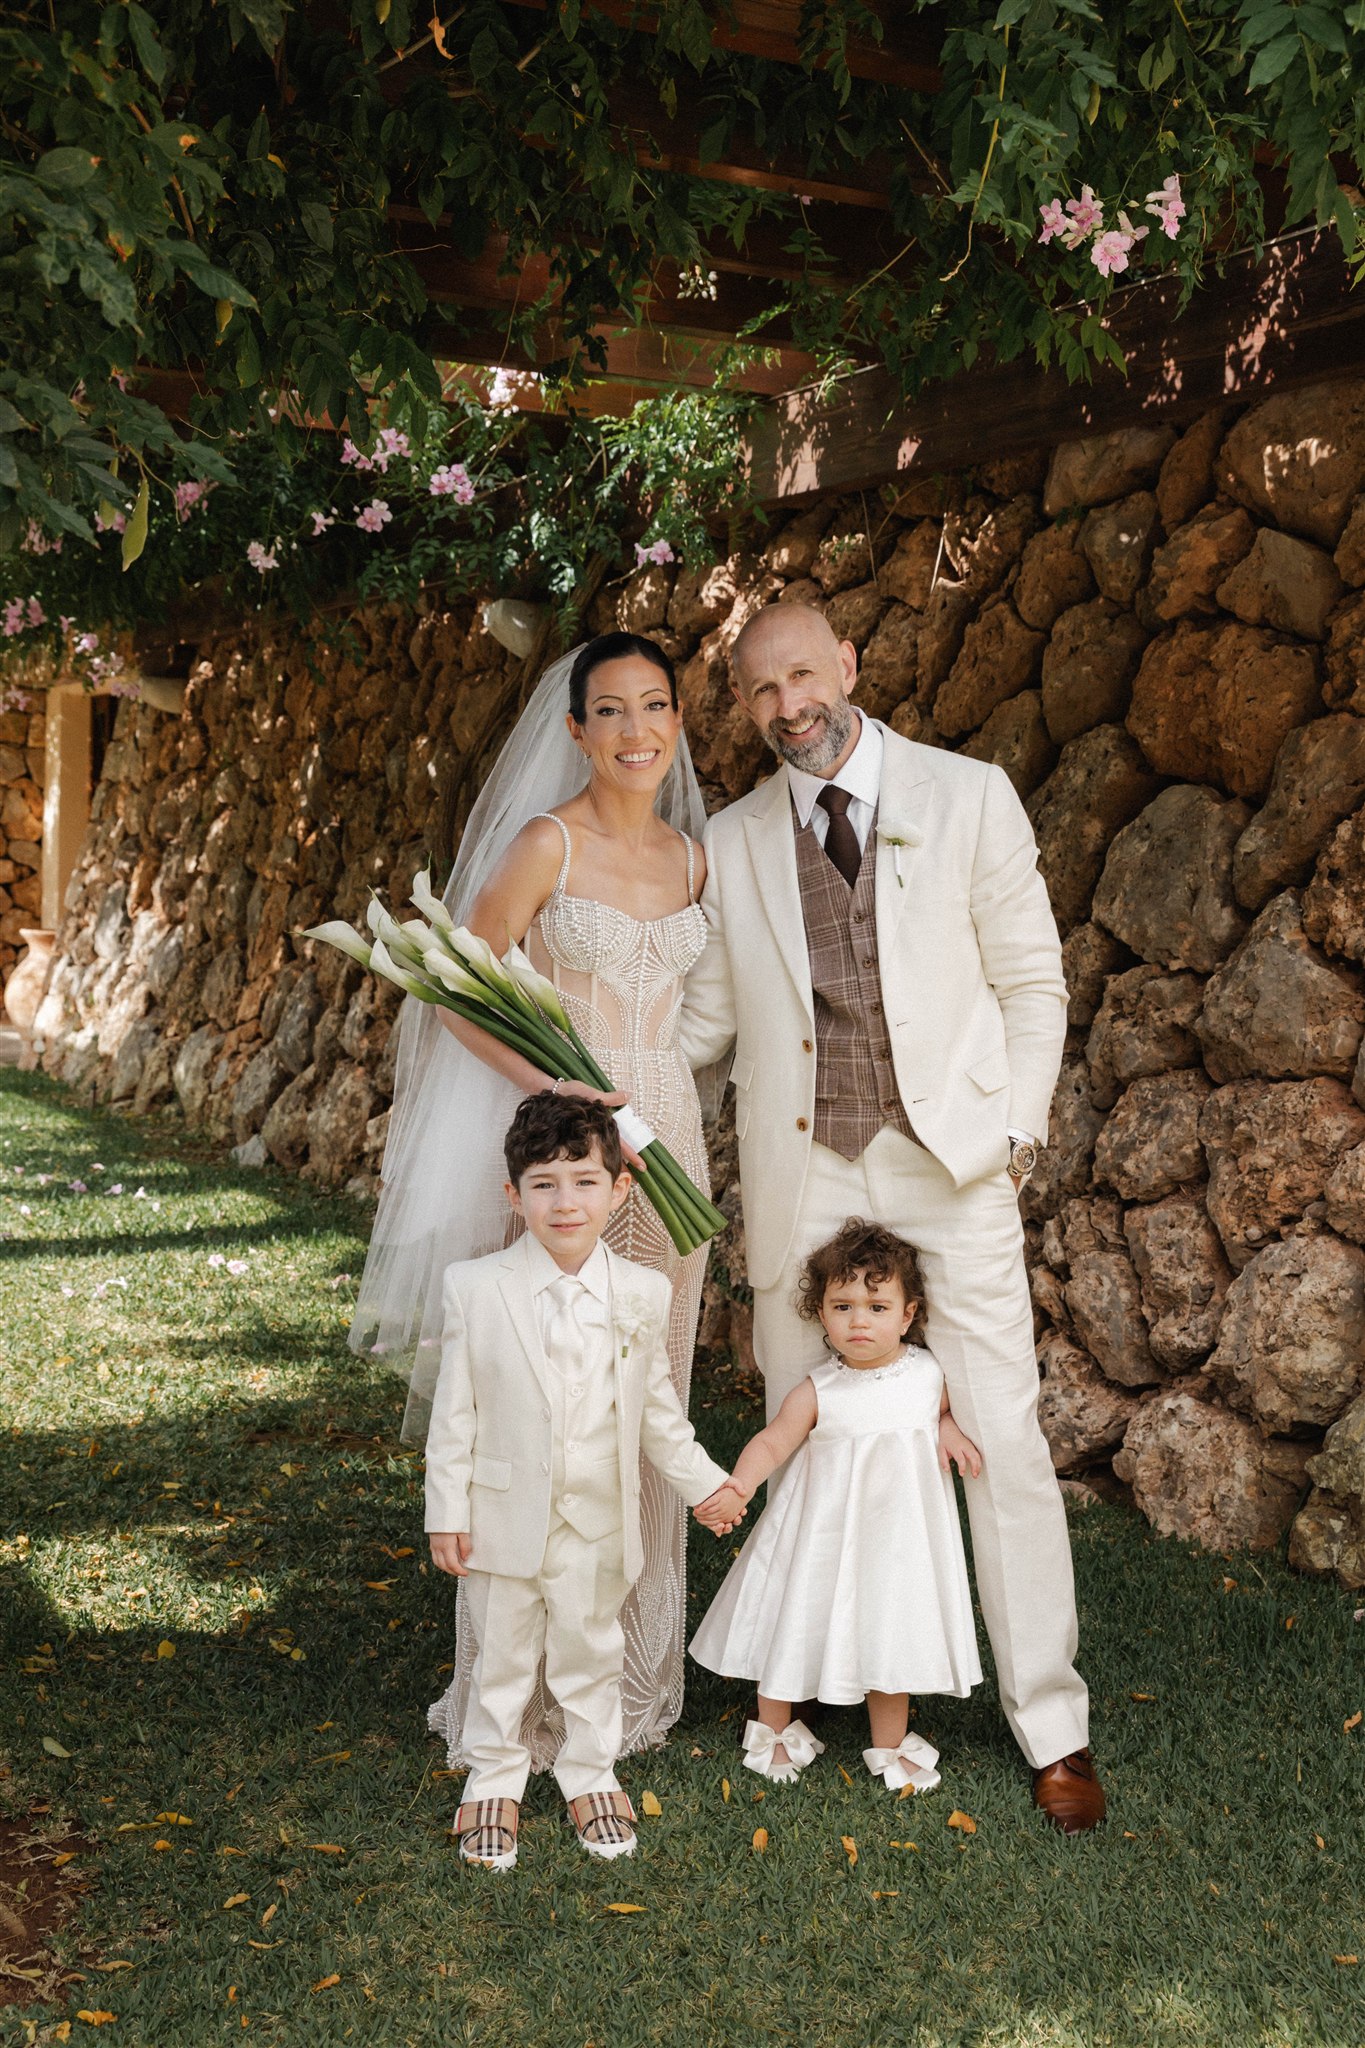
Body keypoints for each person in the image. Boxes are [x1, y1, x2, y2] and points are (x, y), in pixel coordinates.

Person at [678, 601, 1105, 1833]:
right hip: (807, 1170)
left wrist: (1015, 1131)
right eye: (761, 690)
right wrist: (603, 1053)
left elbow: (1033, 980)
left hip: (952, 1163)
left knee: (1004, 1437)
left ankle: (1052, 1724)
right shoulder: (739, 834)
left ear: (849, 667)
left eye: (804, 674)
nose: (787, 705)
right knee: (805, 1435)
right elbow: (709, 1022)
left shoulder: (967, 793)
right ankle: (804, 1684)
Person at [353, 632, 717, 1771]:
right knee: (549, 1403)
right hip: (573, 1149)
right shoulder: (544, 842)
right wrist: (549, 1084)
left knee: (650, 1388)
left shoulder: (694, 860)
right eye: (609, 710)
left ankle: (632, 1675)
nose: (635, 729)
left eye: (654, 705)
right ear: (575, 727)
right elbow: (457, 989)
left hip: (672, 1140)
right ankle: (515, 1694)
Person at [426, 1092, 731, 1871]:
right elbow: (454, 1414)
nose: (567, 1202)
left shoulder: (640, 1292)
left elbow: (657, 1410)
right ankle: (493, 1776)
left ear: (619, 1189)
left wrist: (705, 1484)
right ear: (513, 1195)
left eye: (585, 1181)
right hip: (502, 1513)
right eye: (545, 1183)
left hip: (598, 1516)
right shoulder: (476, 1286)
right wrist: (445, 1511)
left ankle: (588, 1768)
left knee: (590, 1647)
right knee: (502, 1650)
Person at [690, 1220, 982, 1792]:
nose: (858, 1321)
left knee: (888, 1629)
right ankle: (774, 1730)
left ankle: (890, 1745)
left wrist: (949, 1427)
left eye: (876, 1307)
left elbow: (942, 1413)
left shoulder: (928, 1376)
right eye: (842, 1306)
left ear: (907, 1314)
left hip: (895, 1540)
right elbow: (774, 1440)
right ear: (821, 1315)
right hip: (821, 1533)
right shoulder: (820, 1388)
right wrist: (741, 1485)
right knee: (792, 1616)